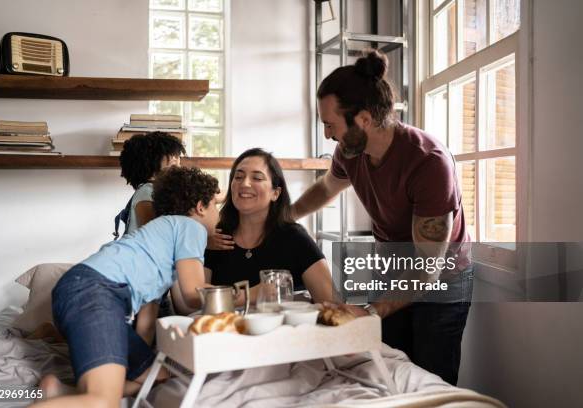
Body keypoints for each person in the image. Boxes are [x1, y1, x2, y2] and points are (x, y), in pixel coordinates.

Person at [291, 50, 473, 386]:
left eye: (331, 125)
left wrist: (373, 311)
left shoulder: (428, 162)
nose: (329, 135)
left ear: (362, 120)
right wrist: (286, 215)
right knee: (385, 366)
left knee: (429, 379)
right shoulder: (349, 150)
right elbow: (327, 187)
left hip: (440, 275)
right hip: (393, 264)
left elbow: (427, 268)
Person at [32, 166, 220, 408]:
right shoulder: (190, 226)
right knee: (103, 402)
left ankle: (57, 392)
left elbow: (146, 324)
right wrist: (242, 294)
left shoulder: (156, 247)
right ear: (200, 207)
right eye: (216, 204)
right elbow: (194, 293)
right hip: (95, 292)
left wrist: (144, 360)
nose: (219, 213)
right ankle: (92, 396)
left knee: (160, 374)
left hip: (83, 292)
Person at [201, 148, 335, 308]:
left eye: (257, 178)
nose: (244, 183)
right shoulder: (214, 238)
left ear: (275, 193)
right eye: (238, 177)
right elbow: (193, 303)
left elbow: (330, 304)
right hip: (224, 331)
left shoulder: (295, 238)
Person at [115, 131, 186, 345]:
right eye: (171, 159)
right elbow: (155, 232)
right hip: (139, 286)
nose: (177, 163)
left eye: (178, 158)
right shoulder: (148, 191)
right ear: (150, 165)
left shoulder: (154, 192)